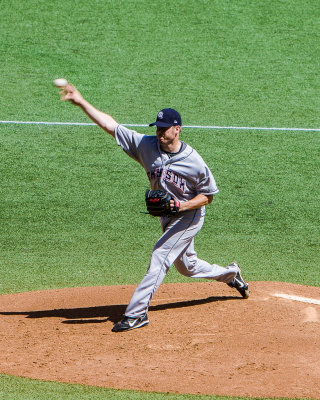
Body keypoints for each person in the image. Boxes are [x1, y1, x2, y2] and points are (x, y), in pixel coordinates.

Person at [59, 84, 250, 332]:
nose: (159, 132)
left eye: (164, 128)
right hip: (167, 217)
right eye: (157, 128)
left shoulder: (195, 162)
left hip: (189, 216)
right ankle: (231, 274)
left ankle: (137, 314)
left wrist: (183, 205)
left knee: (160, 256)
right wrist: (81, 101)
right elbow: (111, 126)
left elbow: (208, 196)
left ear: (177, 130)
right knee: (187, 266)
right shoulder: (146, 146)